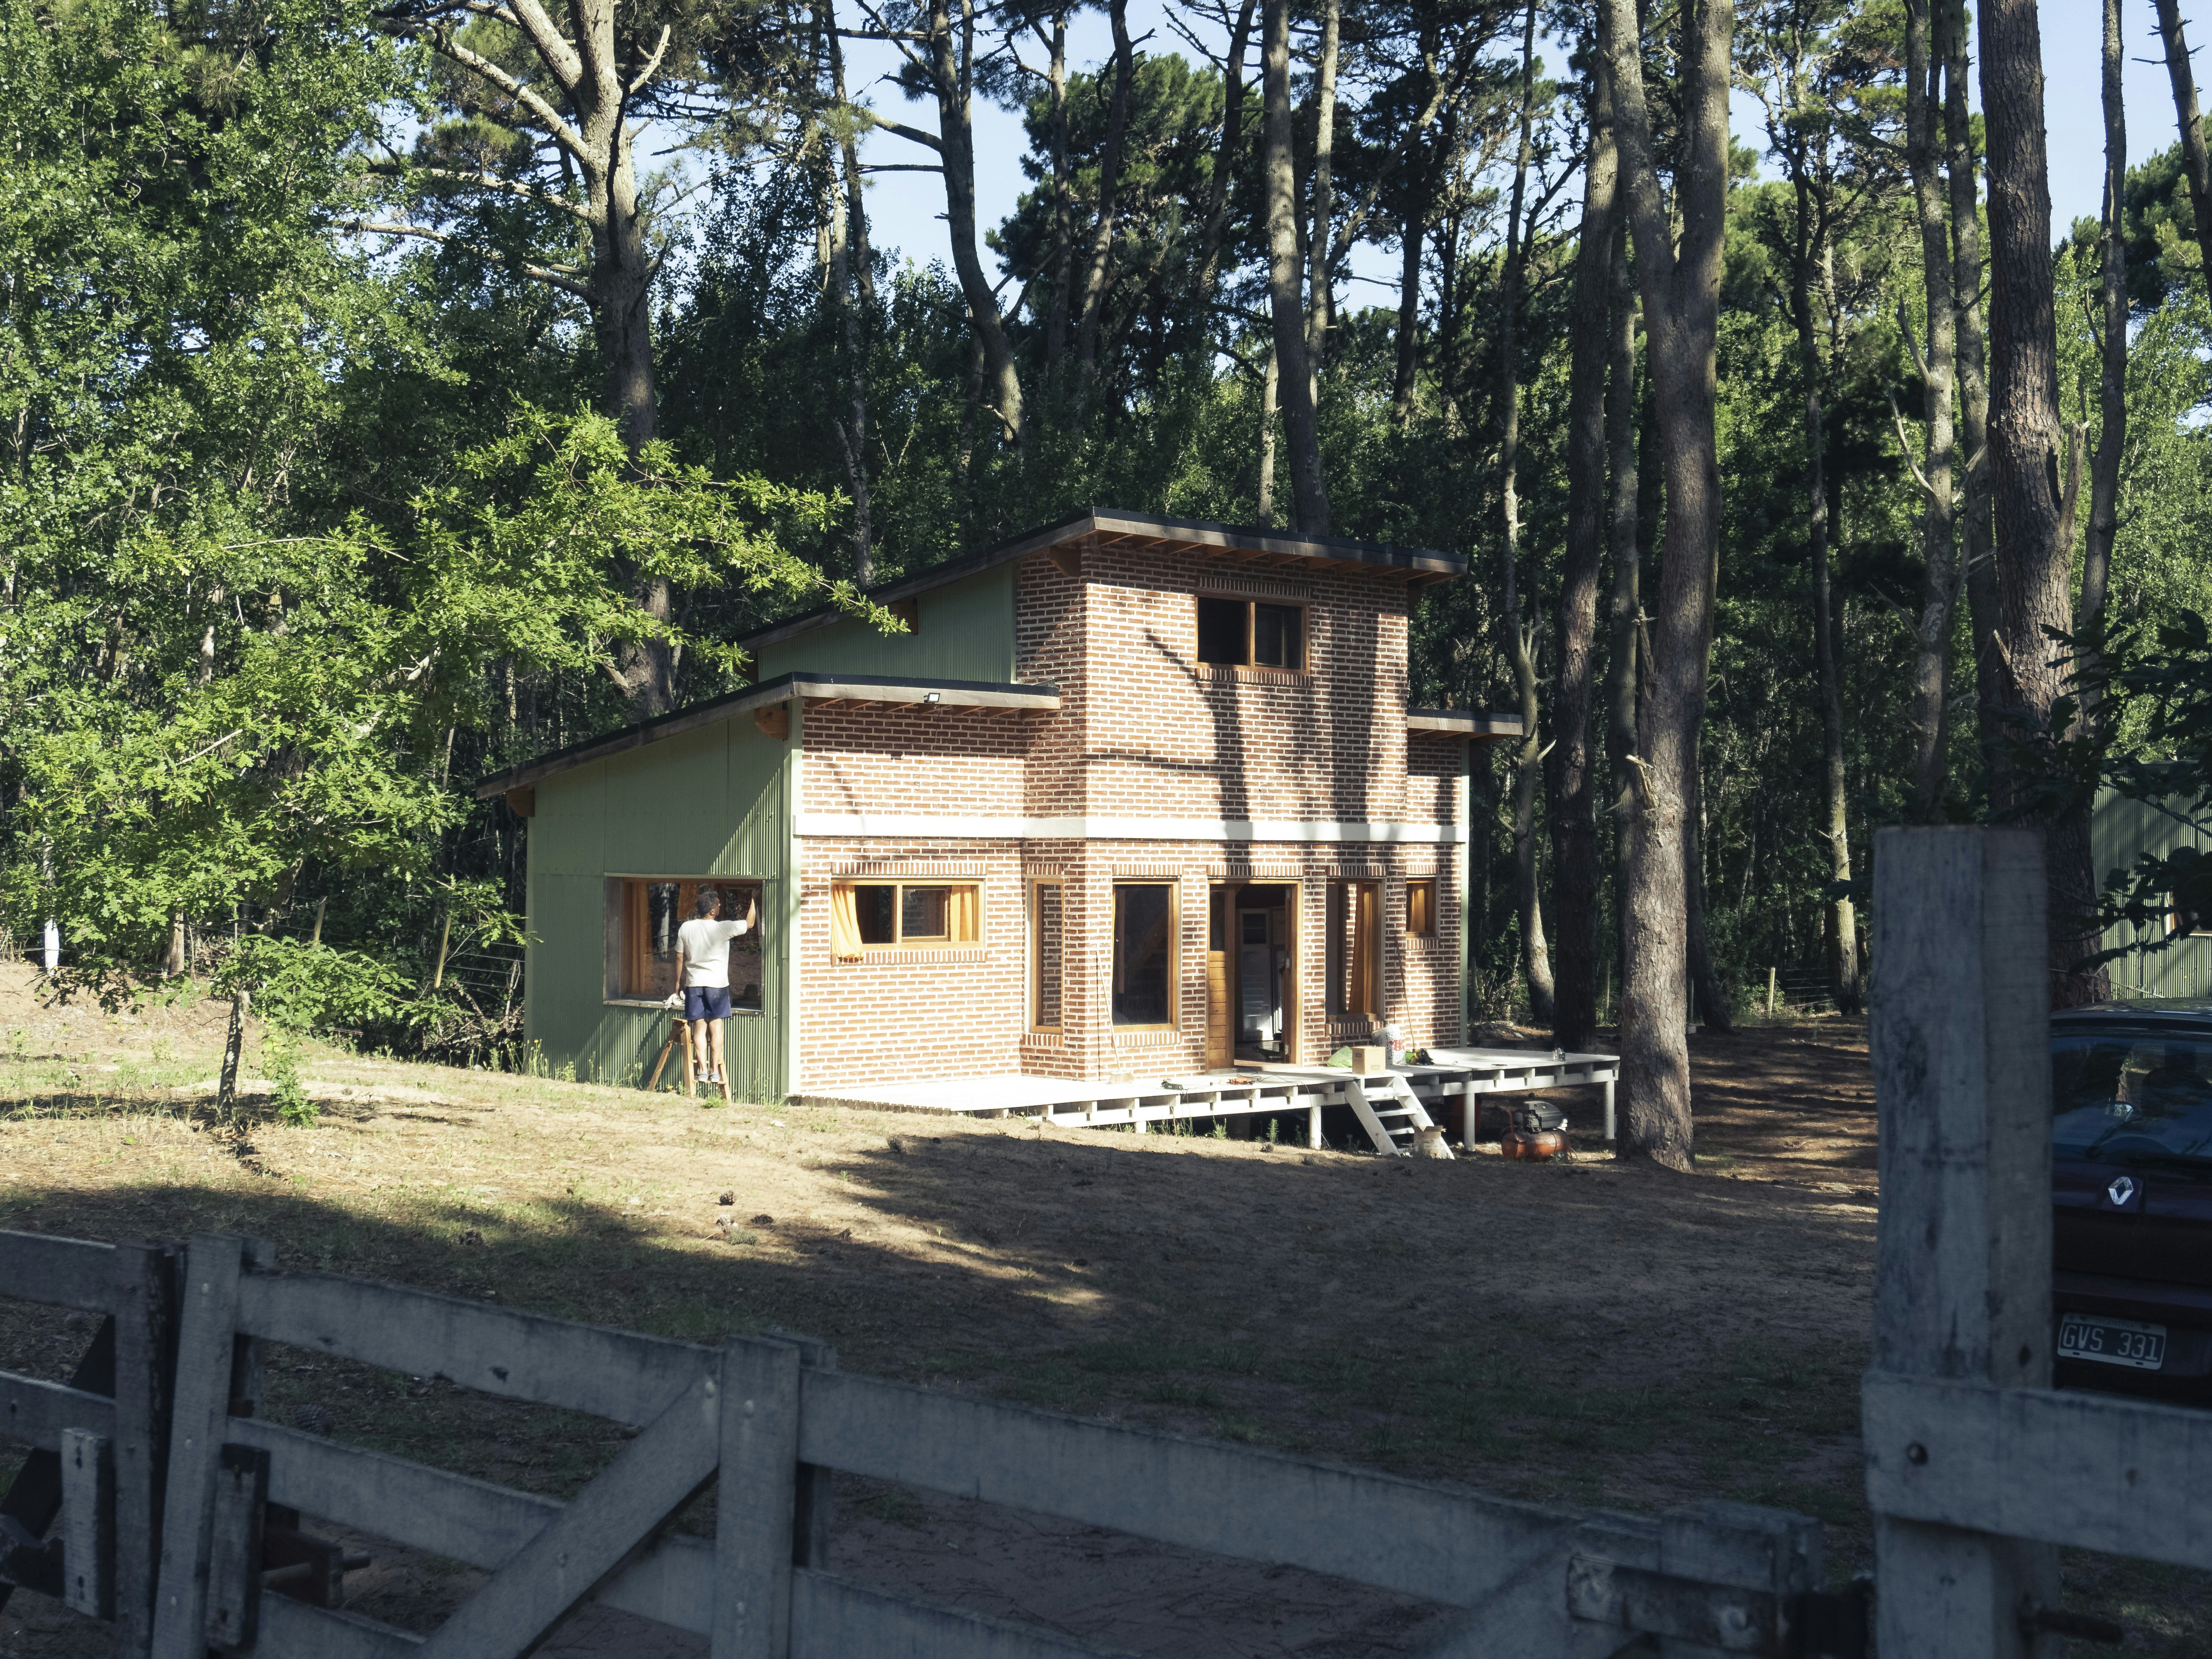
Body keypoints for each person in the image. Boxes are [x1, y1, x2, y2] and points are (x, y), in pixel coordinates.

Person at [676, 888, 756, 1090]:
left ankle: (701, 1070)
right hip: (717, 985)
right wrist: (754, 899)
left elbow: (679, 956)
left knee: (699, 1028)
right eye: (718, 905)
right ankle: (715, 1071)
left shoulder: (686, 927)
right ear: (712, 910)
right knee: (716, 1028)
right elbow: (750, 923)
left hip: (694, 984)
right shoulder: (723, 928)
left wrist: (677, 984)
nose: (720, 906)